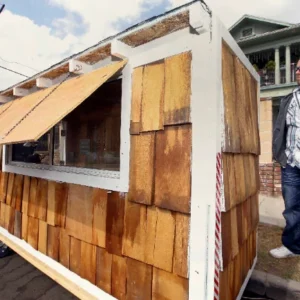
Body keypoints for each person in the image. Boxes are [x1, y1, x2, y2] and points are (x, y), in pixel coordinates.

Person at [271, 59, 300, 258]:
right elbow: (281, 128)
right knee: (292, 207)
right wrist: (278, 153)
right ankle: (292, 246)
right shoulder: (289, 98)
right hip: (290, 163)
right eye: (297, 68)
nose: (297, 71)